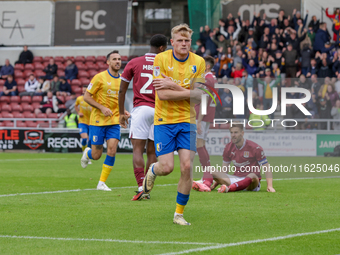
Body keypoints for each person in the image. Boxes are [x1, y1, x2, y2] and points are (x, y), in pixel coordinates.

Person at [138, 24, 205, 226]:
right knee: (166, 167)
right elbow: (163, 95)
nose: (184, 44)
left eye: (187, 41)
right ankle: (153, 171)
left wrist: (174, 85)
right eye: (180, 40)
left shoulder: (199, 62)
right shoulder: (161, 59)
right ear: (172, 42)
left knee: (186, 166)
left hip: (187, 120)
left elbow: (198, 97)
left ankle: (179, 214)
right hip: (164, 120)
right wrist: (186, 91)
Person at [118, 34, 168, 200]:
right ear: (161, 48)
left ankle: (140, 185)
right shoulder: (166, 64)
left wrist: (121, 112)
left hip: (141, 109)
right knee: (152, 151)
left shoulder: (134, 62)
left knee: (137, 149)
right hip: (158, 110)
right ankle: (147, 185)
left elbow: (122, 90)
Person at [81, 50, 130, 191]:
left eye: (119, 59)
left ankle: (101, 183)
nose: (117, 61)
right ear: (108, 62)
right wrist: (102, 108)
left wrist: (123, 111)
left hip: (114, 121)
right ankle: (87, 153)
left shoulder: (122, 80)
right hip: (98, 121)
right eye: (114, 59)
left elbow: (118, 99)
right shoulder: (99, 77)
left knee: (112, 150)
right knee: (96, 155)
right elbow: (86, 97)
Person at [211, 124, 275, 193]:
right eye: (231, 132)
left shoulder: (255, 148)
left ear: (242, 133)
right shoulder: (228, 147)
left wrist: (270, 186)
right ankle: (205, 186)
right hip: (235, 179)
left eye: (236, 132)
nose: (233, 135)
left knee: (252, 175)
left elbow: (266, 168)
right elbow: (224, 170)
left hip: (251, 183)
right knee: (210, 170)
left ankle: (229, 188)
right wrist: (214, 185)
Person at [191, 56, 217, 192]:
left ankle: (207, 177)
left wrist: (199, 120)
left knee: (199, 144)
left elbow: (205, 99)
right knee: (201, 144)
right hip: (206, 115)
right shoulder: (211, 78)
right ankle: (207, 176)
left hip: (202, 115)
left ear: (206, 66)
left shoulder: (207, 79)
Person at [75, 86, 93, 153]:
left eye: (85, 90)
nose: (83, 92)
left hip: (91, 122)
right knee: (85, 138)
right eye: (83, 90)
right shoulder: (79, 99)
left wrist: (93, 109)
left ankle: (88, 153)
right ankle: (84, 153)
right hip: (82, 122)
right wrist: (78, 112)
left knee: (90, 140)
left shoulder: (92, 99)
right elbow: (76, 105)